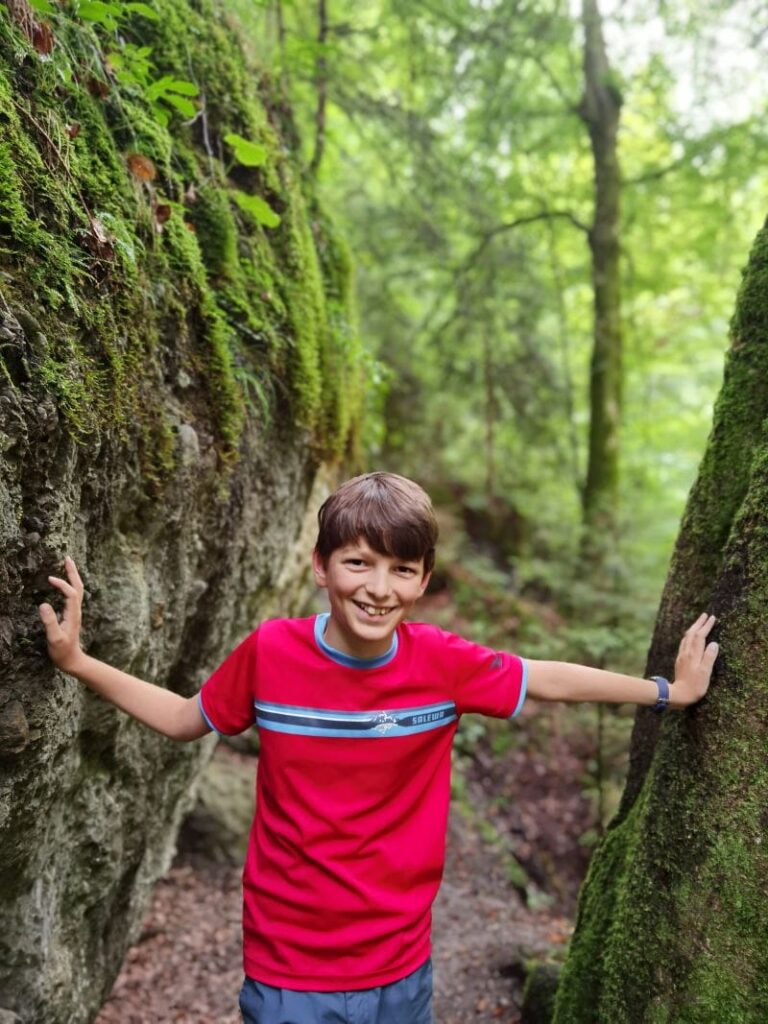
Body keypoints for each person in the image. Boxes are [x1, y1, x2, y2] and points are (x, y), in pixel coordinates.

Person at [39, 472, 718, 1024]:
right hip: (288, 969)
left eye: (402, 569)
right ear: (321, 567)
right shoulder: (271, 651)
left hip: (400, 967)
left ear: (423, 580)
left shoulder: (442, 664)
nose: (378, 587)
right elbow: (188, 717)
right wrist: (77, 661)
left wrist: (669, 692)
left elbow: (547, 679)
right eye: (358, 563)